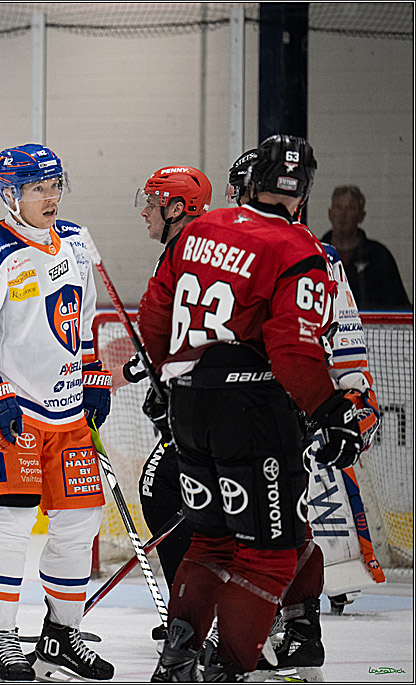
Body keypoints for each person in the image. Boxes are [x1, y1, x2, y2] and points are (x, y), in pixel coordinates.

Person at [138, 135, 364, 681]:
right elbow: (294, 347)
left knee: (211, 539)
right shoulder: (299, 248)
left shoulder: (199, 229)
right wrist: (331, 410)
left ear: (249, 180)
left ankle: (178, 660)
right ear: (303, 191)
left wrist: (169, 376)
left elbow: (153, 313)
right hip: (255, 409)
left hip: (191, 407)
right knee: (270, 551)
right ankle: (229, 668)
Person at [0, 143, 114, 682]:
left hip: (67, 413)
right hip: (11, 410)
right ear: (10, 194)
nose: (51, 197)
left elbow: (83, 317)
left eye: (55, 185)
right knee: (12, 524)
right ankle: (2, 642)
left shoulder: (80, 242)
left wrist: (94, 373)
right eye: (38, 188)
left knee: (79, 525)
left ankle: (60, 639)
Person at [220, 150, 384, 681]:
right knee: (279, 527)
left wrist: (349, 406)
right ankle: (295, 628)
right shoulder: (293, 251)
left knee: (267, 530)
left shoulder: (310, 255)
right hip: (260, 408)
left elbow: (346, 348)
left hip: (275, 410)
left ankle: (281, 629)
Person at [127, 166, 212, 617]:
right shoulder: (191, 248)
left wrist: (172, 380)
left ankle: (193, 613)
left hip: (206, 401)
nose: (145, 211)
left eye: (152, 202)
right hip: (201, 397)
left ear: (176, 208)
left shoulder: (189, 252)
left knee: (161, 489)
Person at [320, 185, 411, 311]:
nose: (343, 214)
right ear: (330, 214)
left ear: (361, 216)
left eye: (350, 208)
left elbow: (401, 307)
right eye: (338, 207)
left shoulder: (379, 256)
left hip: (370, 328)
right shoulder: (315, 253)